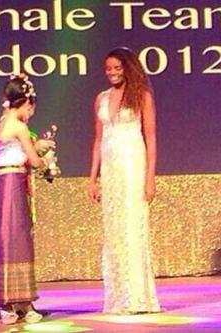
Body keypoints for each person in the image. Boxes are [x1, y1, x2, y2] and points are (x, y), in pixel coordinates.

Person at [88, 47, 161, 314]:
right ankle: (119, 297)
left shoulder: (142, 96)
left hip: (133, 166)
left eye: (117, 68)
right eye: (108, 68)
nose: (112, 73)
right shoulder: (101, 99)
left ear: (128, 68)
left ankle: (137, 297)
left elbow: (150, 138)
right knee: (115, 231)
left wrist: (150, 178)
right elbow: (97, 140)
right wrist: (92, 179)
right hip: (111, 170)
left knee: (132, 228)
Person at [0, 73, 53, 325]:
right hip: (14, 185)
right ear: (26, 103)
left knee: (7, 241)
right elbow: (32, 159)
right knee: (19, 241)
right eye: (31, 107)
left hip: (2, 185)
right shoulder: (19, 126)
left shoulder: (1, 123)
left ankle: (6, 304)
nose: (31, 113)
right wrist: (45, 160)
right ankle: (24, 304)